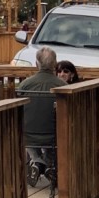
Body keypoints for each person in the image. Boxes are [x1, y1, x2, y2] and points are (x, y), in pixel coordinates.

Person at [17, 46, 65, 175]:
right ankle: (49, 164)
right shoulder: (62, 86)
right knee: (53, 133)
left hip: (28, 135)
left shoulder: (25, 85)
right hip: (54, 134)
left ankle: (37, 161)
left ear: (36, 62)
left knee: (27, 132)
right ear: (55, 63)